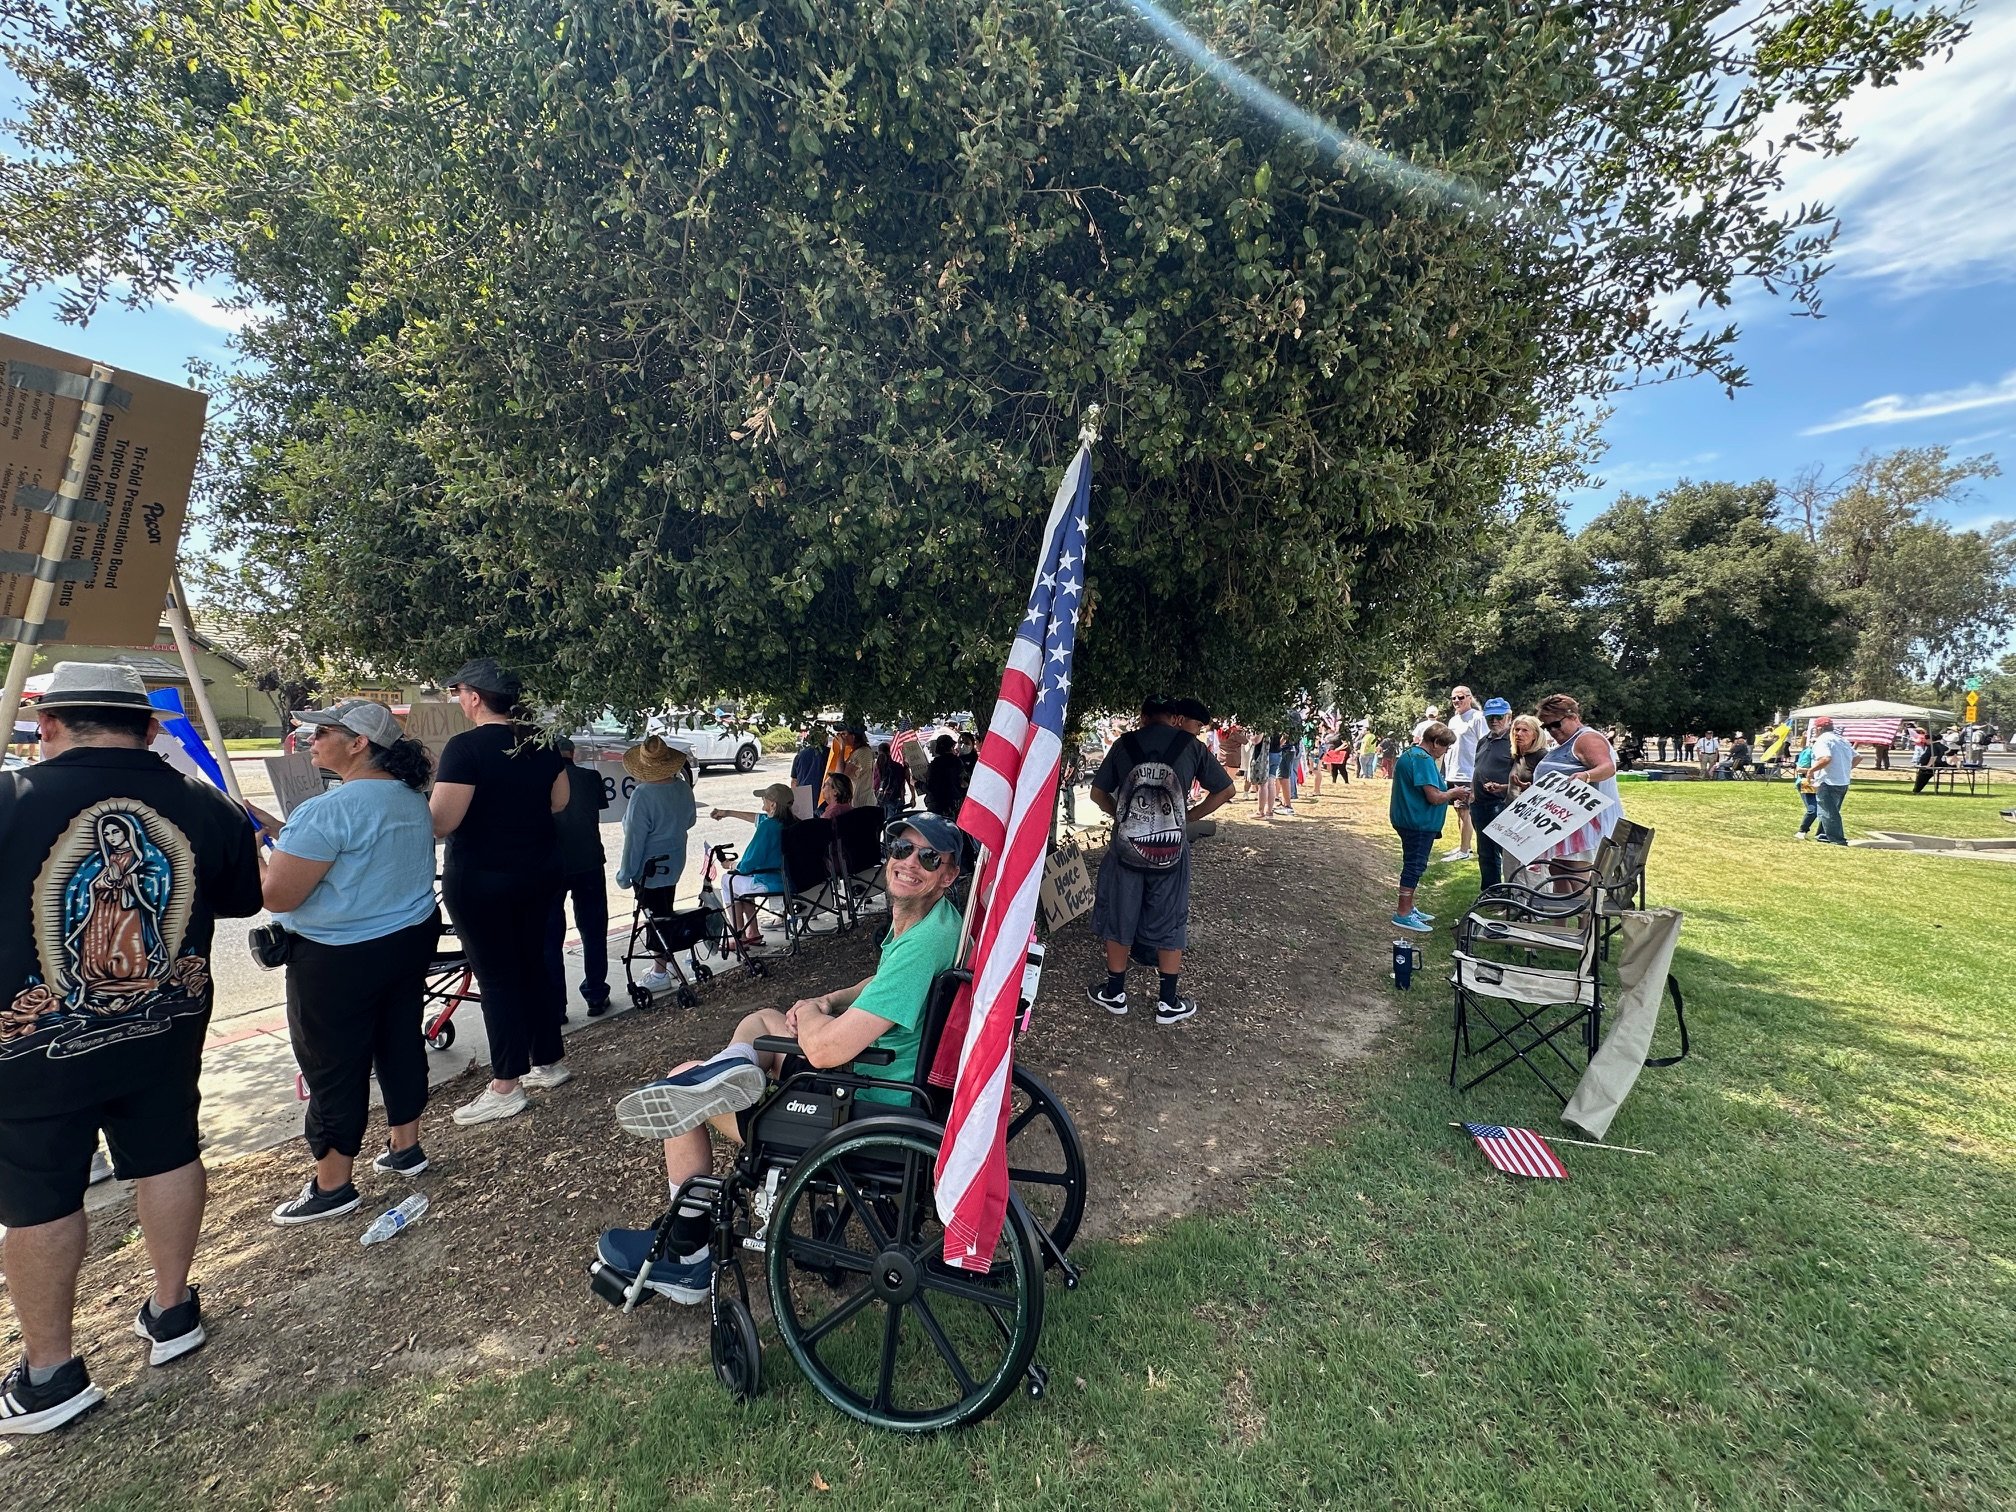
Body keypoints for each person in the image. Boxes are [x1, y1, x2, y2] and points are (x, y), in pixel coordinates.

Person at [0, 663, 262, 1433]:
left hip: (32, 1051)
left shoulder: (13, 798)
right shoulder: (202, 804)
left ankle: (50, 1372)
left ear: (47, 725)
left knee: (39, 1196)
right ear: (151, 729)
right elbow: (243, 898)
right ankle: (173, 1309)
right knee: (170, 1153)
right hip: (164, 1027)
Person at [595, 814, 966, 1300]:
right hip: (880, 1082)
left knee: (680, 1090)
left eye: (929, 857)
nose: (909, 862)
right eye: (901, 847)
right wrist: (832, 999)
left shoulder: (923, 944)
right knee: (764, 1020)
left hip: (865, 1106)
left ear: (948, 874)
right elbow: (880, 984)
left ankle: (687, 1257)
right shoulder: (937, 923)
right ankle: (734, 1068)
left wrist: (813, 1013)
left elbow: (825, 1048)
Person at [261, 700, 441, 1225]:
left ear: (359, 743)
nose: (311, 739)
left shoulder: (328, 809)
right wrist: (282, 830)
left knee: (333, 1065)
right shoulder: (409, 797)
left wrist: (254, 853)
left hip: (337, 957)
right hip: (405, 940)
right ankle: (405, 1148)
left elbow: (279, 894)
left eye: (323, 731)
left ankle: (334, 1182)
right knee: (399, 1040)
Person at [430, 658, 571, 1127]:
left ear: (473, 697)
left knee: (496, 979)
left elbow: (443, 821)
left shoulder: (465, 748)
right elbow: (560, 802)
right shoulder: (541, 744)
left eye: (459, 693)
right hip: (538, 873)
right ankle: (547, 1060)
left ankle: (506, 1084)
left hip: (482, 879)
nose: (459, 701)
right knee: (533, 965)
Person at [1085, 699, 1236, 1025]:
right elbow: (1226, 791)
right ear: (1174, 718)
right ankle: (1168, 1001)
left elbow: (1098, 793)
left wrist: (1122, 817)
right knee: (1171, 918)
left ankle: (1115, 993)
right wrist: (1188, 818)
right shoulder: (1191, 747)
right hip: (1170, 849)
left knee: (1120, 915)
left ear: (1143, 717)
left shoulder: (1124, 744)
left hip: (1127, 848)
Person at [615, 736, 697, 998]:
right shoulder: (683, 788)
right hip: (674, 861)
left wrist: (625, 874)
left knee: (654, 917)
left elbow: (634, 841)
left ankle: (660, 971)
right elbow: (691, 821)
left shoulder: (643, 795)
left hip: (649, 868)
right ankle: (666, 965)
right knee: (665, 910)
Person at [544, 736, 611, 1022]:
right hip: (589, 861)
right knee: (593, 930)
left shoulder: (541, 782)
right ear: (574, 753)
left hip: (551, 865)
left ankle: (556, 1006)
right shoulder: (590, 777)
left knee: (550, 938)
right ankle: (596, 994)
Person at [1532, 693, 1623, 885]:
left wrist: (1586, 776)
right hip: (1565, 822)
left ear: (1573, 716)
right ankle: (1559, 915)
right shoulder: (1569, 741)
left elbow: (1607, 767)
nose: (1552, 731)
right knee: (1559, 877)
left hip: (1584, 825)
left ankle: (1586, 916)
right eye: (1546, 727)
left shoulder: (1586, 738)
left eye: (1556, 724)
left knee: (1578, 882)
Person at [1389, 722, 1468, 933]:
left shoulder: (1411, 754)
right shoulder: (1423, 760)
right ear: (1434, 742)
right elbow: (1434, 797)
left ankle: (1410, 907)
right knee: (1414, 866)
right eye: (1445, 746)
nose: (1446, 751)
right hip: (1417, 823)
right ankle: (1403, 913)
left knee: (1413, 863)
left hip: (1410, 820)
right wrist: (1455, 793)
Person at [709, 783, 794, 948]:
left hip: (770, 881)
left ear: (773, 805)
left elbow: (747, 864)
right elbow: (757, 817)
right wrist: (727, 813)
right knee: (742, 883)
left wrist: (731, 864)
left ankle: (738, 935)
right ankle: (753, 932)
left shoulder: (768, 827)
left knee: (728, 881)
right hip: (790, 878)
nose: (762, 800)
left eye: (765, 798)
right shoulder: (793, 822)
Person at [1469, 698, 1515, 890]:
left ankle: (1514, 892)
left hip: (1501, 804)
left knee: (1506, 852)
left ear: (1509, 716)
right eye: (1490, 718)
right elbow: (1477, 768)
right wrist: (1472, 791)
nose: (1494, 721)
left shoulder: (1514, 741)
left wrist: (1503, 787)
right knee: (1485, 852)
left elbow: (1522, 773)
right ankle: (1491, 892)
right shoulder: (1484, 740)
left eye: (1498, 717)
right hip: (1479, 803)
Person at [1441, 686, 1488, 863]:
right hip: (1453, 771)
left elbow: (1484, 744)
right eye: (1453, 698)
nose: (1456, 701)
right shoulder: (1453, 720)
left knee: (1465, 812)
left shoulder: (1477, 718)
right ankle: (1464, 845)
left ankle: (1464, 851)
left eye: (1460, 697)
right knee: (1458, 810)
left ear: (1469, 698)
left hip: (1468, 772)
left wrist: (1479, 771)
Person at [1807, 715, 1858, 845]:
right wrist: (1844, 769)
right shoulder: (1841, 740)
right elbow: (1857, 757)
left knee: (1828, 811)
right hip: (1843, 780)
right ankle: (1823, 834)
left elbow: (1825, 759)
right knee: (1831, 809)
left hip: (1828, 780)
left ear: (1819, 728)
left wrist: (1811, 770)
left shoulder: (1822, 741)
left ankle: (1837, 839)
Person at [788, 726, 828, 821]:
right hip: (823, 797)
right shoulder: (829, 754)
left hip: (803, 796)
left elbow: (794, 781)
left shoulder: (800, 755)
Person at [922, 733, 964, 817]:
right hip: (956, 804)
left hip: (938, 806)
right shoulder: (958, 761)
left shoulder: (936, 764)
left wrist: (916, 783)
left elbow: (930, 787)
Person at [873, 741, 910, 828]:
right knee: (895, 828)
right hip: (896, 799)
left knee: (882, 828)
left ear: (878, 752)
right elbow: (902, 785)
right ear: (890, 751)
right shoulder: (898, 767)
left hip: (881, 800)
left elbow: (874, 786)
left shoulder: (876, 767)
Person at [1792, 733, 1821, 840]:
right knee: (1813, 809)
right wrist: (1819, 769)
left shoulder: (1822, 753)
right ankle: (1802, 831)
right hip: (1807, 782)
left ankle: (1821, 834)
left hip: (1821, 783)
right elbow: (1800, 770)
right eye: (1814, 742)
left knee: (1825, 810)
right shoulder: (1808, 752)